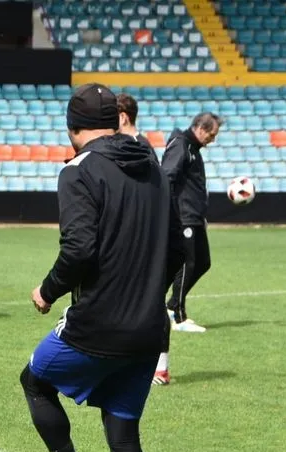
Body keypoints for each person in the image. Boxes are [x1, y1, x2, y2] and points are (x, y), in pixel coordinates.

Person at [22, 84, 184, 452]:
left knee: (35, 381)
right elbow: (180, 249)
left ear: (72, 128)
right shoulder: (153, 166)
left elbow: (79, 249)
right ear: (115, 122)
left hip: (98, 323)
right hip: (148, 328)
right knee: (124, 434)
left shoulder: (78, 170)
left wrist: (48, 290)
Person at [118, 93, 170, 385]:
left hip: (144, 237)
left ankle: (160, 367)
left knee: (152, 302)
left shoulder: (139, 147)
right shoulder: (132, 145)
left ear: (123, 116)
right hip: (133, 235)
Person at [161, 112, 221, 334]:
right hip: (182, 216)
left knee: (203, 262)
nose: (212, 140)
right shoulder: (181, 144)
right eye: (211, 135)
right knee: (187, 263)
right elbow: (167, 176)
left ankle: (169, 305)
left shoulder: (193, 149)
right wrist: (172, 213)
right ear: (200, 128)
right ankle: (177, 315)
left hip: (194, 216)